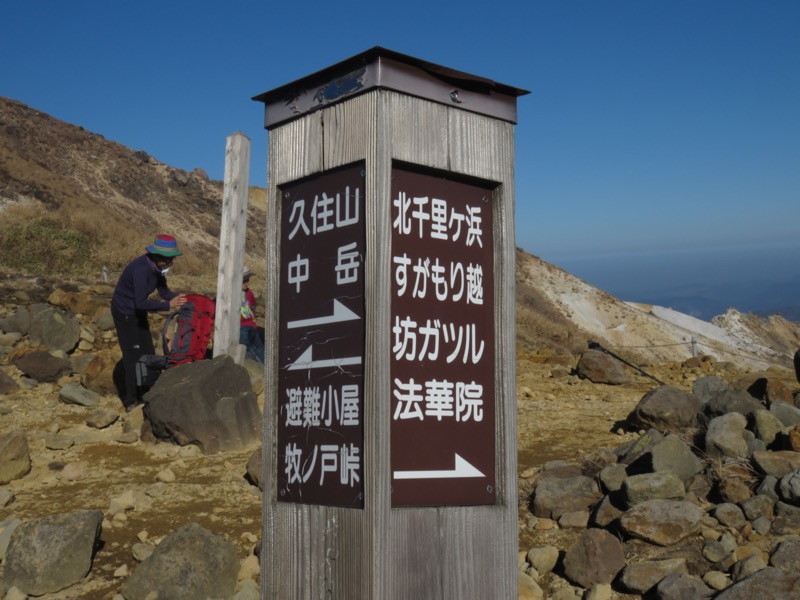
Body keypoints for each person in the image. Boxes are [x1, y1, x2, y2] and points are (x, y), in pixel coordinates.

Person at [111, 234, 187, 411]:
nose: (170, 263)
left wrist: (179, 299)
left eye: (172, 260)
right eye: (168, 260)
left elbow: (163, 290)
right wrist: (168, 305)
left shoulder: (157, 270)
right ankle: (131, 400)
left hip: (138, 312)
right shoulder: (141, 270)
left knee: (148, 352)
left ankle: (148, 391)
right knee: (133, 357)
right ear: (157, 257)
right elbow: (140, 303)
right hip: (126, 313)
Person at [240, 267, 265, 363]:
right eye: (245, 280)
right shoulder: (231, 293)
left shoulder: (248, 293)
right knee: (248, 350)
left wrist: (252, 315)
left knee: (260, 349)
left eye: (248, 280)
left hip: (251, 325)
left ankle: (263, 369)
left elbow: (252, 305)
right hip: (240, 327)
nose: (247, 283)